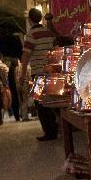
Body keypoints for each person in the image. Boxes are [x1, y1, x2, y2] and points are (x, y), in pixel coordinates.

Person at [19, 8, 57, 140]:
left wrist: (22, 74)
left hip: (39, 74)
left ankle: (49, 132)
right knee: (52, 101)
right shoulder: (49, 33)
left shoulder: (31, 34)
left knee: (40, 103)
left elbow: (25, 55)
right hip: (51, 73)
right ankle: (56, 129)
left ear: (29, 20)